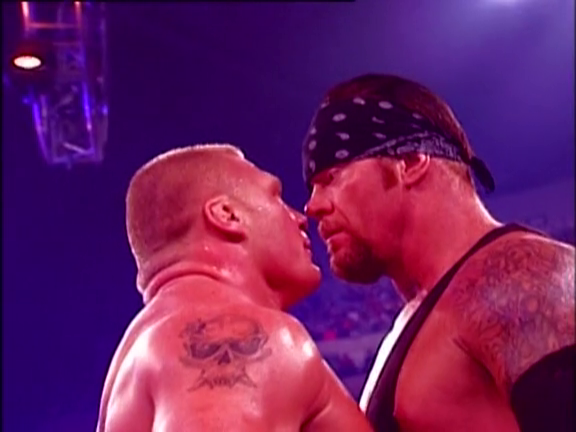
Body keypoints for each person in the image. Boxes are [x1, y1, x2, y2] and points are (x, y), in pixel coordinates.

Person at [301, 74, 575, 432]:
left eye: (331, 178)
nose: (312, 206)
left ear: (411, 161)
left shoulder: (518, 276)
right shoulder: (418, 315)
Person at [96, 144, 374, 432]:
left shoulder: (144, 347)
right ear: (227, 215)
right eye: (275, 196)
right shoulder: (237, 330)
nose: (300, 217)